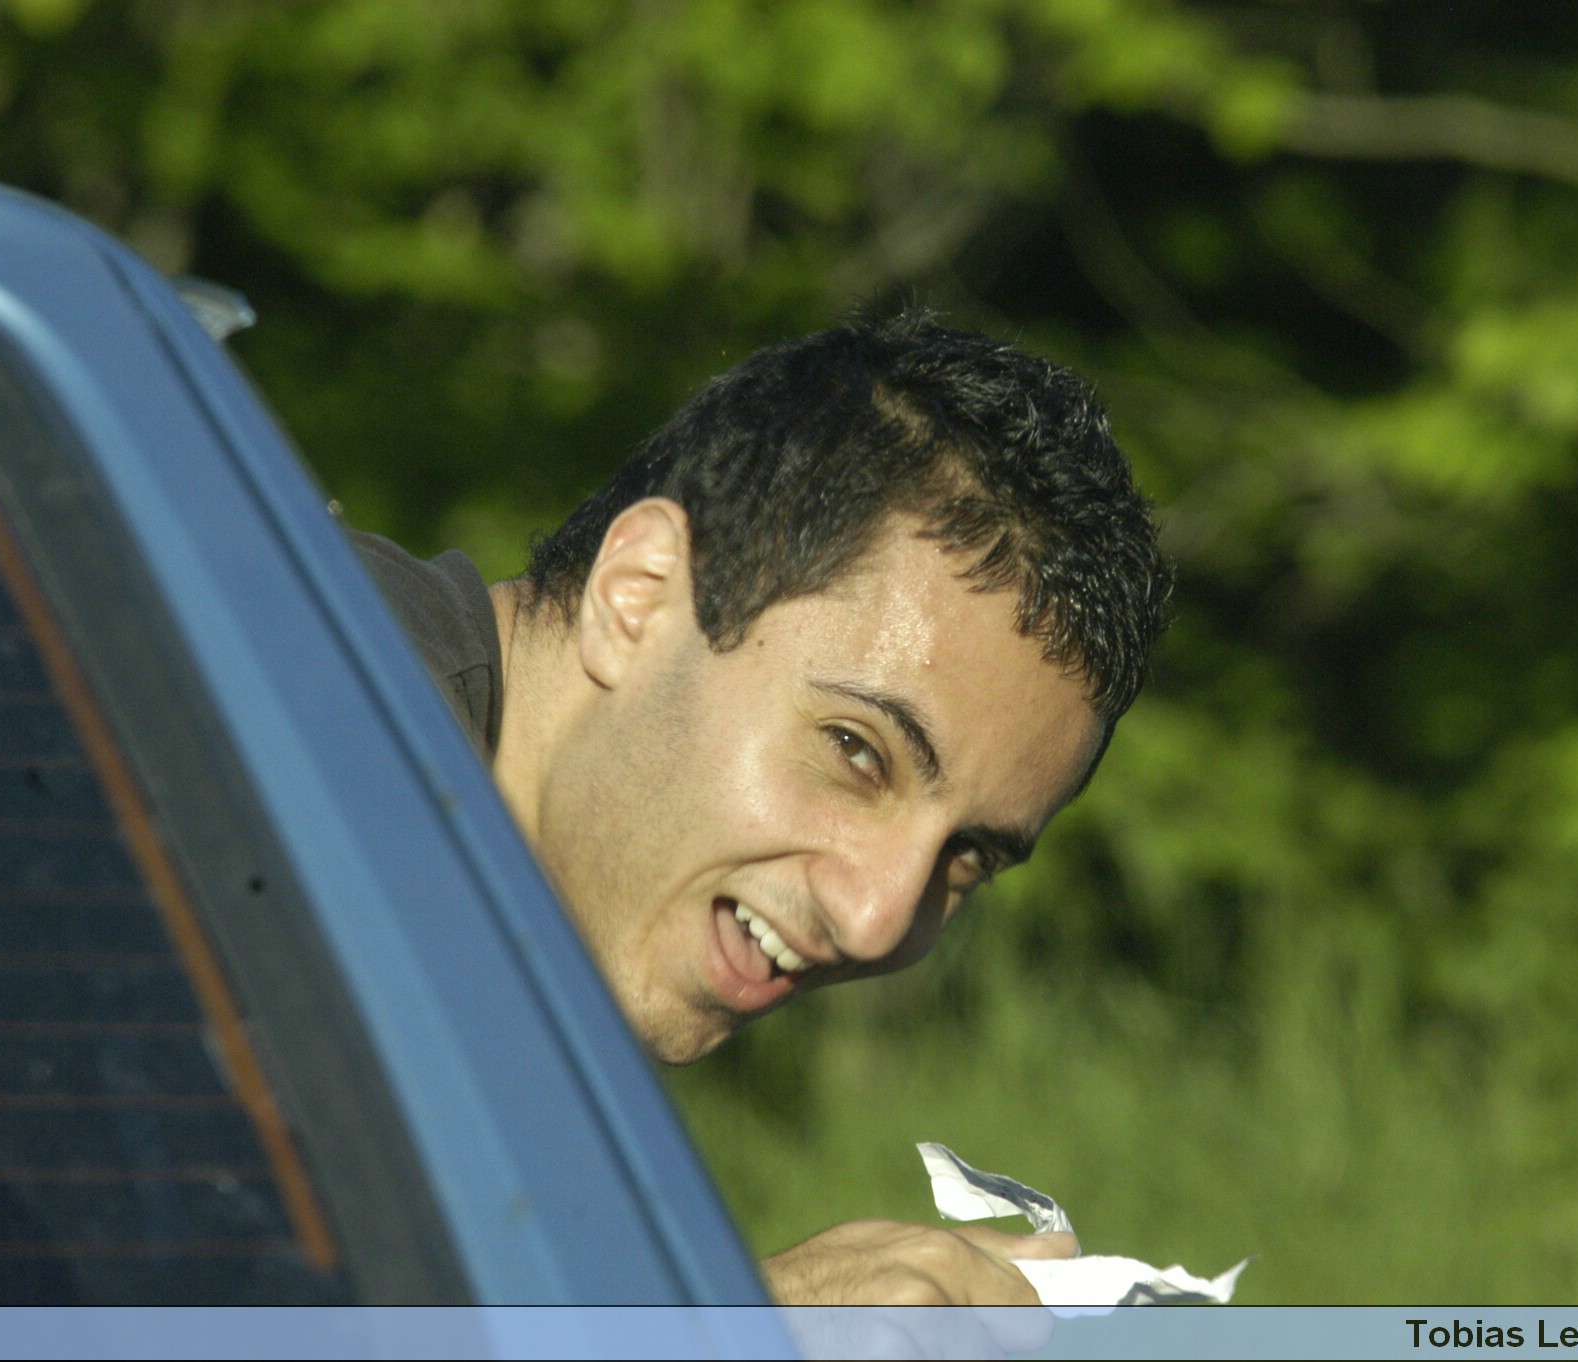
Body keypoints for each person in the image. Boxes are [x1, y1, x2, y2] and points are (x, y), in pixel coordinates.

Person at [353, 309, 1173, 1305]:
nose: (878, 920)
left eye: (967, 857)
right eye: (856, 752)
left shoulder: (502, 986)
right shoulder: (303, 751)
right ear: (640, 594)